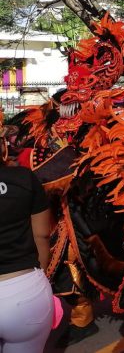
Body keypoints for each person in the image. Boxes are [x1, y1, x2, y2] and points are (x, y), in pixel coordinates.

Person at [0, 142, 54, 352]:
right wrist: (39, 278)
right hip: (25, 293)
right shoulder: (24, 178)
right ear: (3, 150)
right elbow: (42, 234)